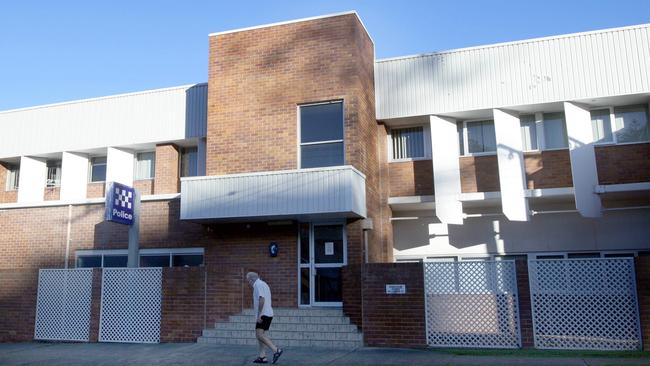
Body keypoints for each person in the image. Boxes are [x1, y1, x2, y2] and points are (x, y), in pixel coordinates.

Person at [246, 272, 283, 364]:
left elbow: (262, 299)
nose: (248, 283)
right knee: (261, 336)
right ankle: (262, 357)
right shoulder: (264, 284)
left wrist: (259, 314)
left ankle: (276, 350)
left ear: (251, 279)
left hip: (263, 315)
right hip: (268, 313)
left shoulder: (258, 285)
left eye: (248, 280)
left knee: (259, 335)